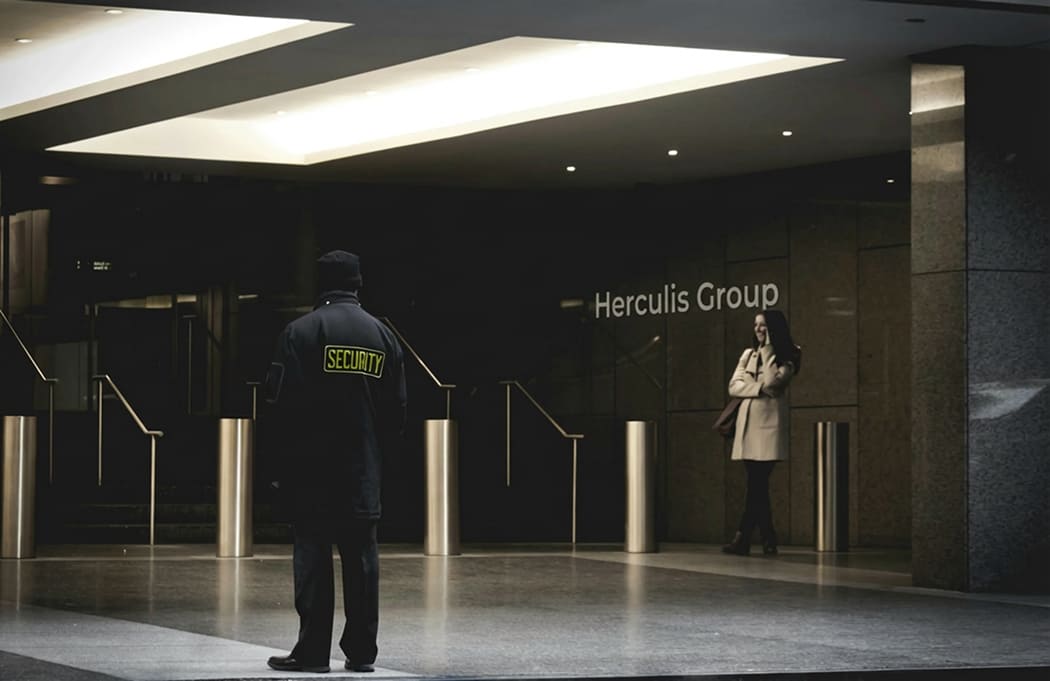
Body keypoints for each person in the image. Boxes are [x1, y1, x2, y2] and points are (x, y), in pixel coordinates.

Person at [264, 250, 407, 674]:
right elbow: (396, 413)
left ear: (320, 284)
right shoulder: (383, 336)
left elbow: (280, 408)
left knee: (313, 561)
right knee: (362, 562)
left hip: (311, 474)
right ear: (358, 283)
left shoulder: (300, 332)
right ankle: (361, 653)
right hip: (363, 471)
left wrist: (278, 470)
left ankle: (311, 653)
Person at [722, 309, 800, 557]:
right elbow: (733, 387)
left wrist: (767, 350)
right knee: (758, 486)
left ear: (774, 328)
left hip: (768, 430)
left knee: (757, 484)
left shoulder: (789, 355)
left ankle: (743, 537)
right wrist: (757, 390)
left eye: (764, 325)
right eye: (756, 325)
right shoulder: (748, 354)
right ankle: (767, 539)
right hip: (747, 429)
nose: (758, 329)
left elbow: (774, 384)